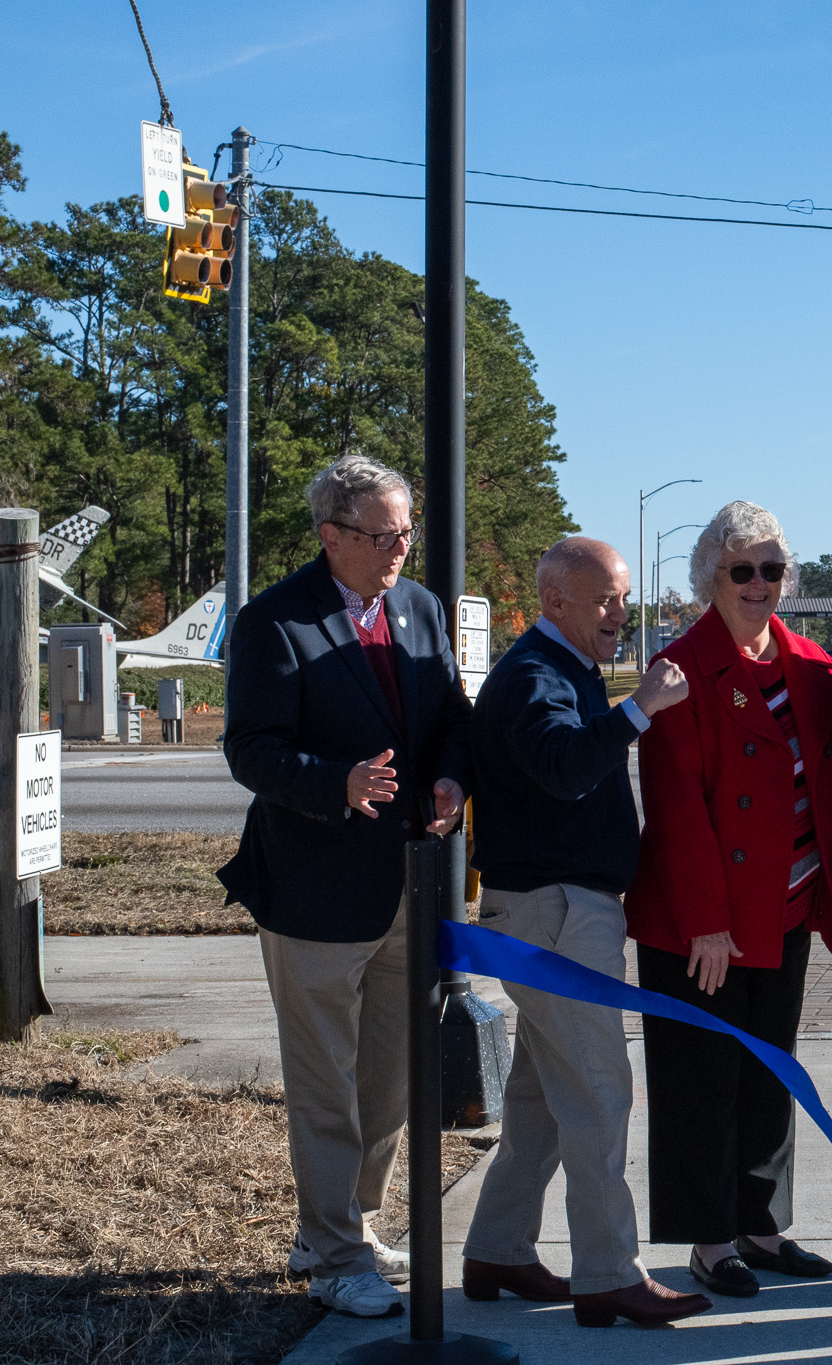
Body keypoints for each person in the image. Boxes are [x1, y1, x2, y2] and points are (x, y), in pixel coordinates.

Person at [219, 454, 472, 1318]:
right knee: (326, 1083)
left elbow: (450, 719)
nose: (402, 545)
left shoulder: (421, 608)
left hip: (411, 883)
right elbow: (249, 748)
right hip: (316, 887)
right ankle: (332, 1257)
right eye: (383, 533)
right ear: (331, 536)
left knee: (391, 1081)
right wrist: (338, 782)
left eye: (407, 529)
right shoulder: (273, 622)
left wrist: (450, 779)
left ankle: (350, 1223)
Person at [459, 536, 713, 1329]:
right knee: (601, 1093)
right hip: (556, 912)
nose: (619, 611)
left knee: (540, 1098)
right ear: (554, 603)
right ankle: (608, 1272)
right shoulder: (536, 674)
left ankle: (498, 1247)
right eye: (603, 598)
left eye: (623, 596)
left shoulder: (560, 669)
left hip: (557, 908)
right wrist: (641, 709)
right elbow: (564, 766)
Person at [623, 501, 832, 1299]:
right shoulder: (680, 670)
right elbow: (676, 807)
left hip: (784, 905)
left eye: (772, 569)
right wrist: (706, 922)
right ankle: (708, 1239)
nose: (760, 585)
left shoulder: (815, 668)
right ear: (709, 579)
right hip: (702, 926)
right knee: (699, 1083)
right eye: (742, 570)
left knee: (767, 1074)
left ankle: (760, 1224)